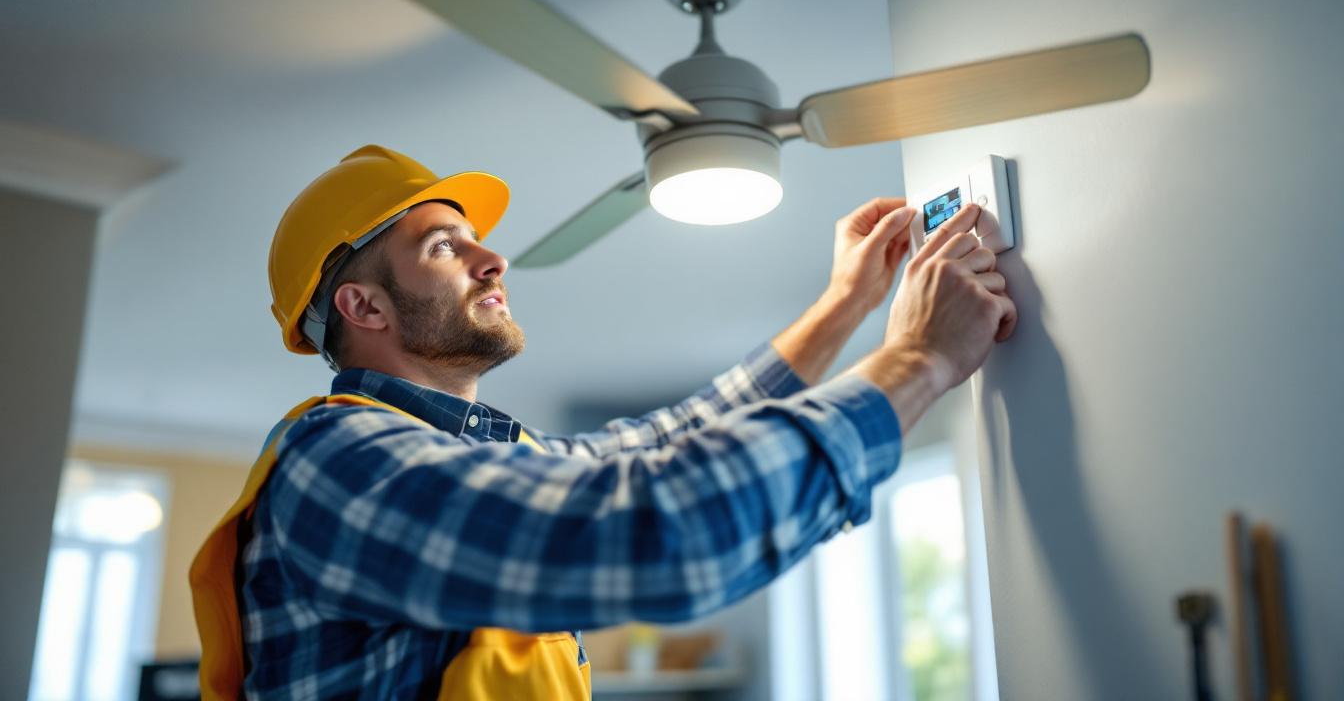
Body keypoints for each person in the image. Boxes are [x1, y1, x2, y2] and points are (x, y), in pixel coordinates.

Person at [190, 144, 1016, 700]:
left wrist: (845, 307)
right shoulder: (336, 463)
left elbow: (666, 443)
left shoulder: (487, 455)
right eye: (445, 246)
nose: (494, 259)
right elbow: (658, 529)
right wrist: (916, 361)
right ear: (362, 304)